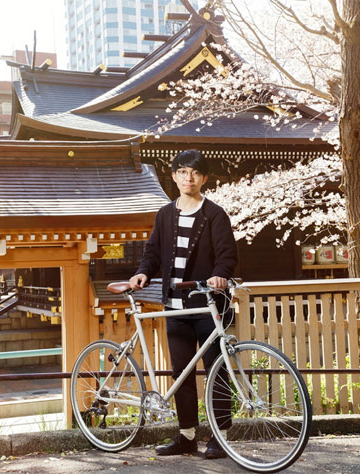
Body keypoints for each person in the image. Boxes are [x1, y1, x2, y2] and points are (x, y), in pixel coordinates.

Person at [129, 149, 238, 459]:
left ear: (204, 178)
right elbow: (153, 254)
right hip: (176, 307)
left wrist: (219, 276)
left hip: (207, 305)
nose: (188, 178)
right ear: (174, 175)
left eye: (195, 173)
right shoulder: (165, 214)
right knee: (182, 374)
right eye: (182, 172)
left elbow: (227, 255)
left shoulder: (214, 214)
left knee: (217, 370)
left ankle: (221, 437)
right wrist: (141, 273)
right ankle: (187, 437)